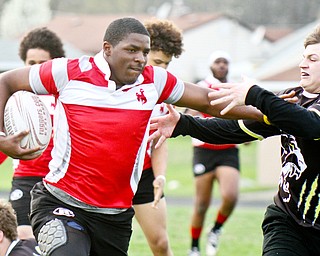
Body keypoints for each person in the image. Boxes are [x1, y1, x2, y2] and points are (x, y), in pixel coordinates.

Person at [0, 17, 262, 256]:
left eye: (145, 52)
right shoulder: (67, 73)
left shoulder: (154, 81)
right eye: (132, 50)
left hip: (115, 216)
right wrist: (1, 136)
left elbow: (208, 102)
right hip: (61, 202)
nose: (141, 58)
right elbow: (6, 82)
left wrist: (265, 110)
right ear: (107, 49)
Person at [149, 25, 320, 256]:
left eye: (313, 59)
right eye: (303, 57)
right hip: (288, 221)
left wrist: (255, 95)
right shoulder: (294, 98)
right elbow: (235, 130)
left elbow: (311, 124)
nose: (302, 64)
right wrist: (183, 124)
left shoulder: (294, 109)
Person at [2, 27, 65, 240]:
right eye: (31, 63)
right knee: (23, 237)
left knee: (55, 240)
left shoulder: (65, 98)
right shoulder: (13, 102)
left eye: (42, 64)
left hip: (59, 179)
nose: (35, 69)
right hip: (25, 179)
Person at [132, 18, 183, 256]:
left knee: (161, 244)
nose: (162, 70)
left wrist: (159, 176)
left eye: (167, 64)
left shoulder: (160, 94)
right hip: (107, 177)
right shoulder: (111, 87)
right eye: (157, 62)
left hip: (143, 175)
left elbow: (158, 141)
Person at [185, 51, 240, 256]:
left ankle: (216, 229)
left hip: (228, 150)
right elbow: (189, 112)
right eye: (218, 62)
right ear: (210, 66)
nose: (222, 65)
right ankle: (194, 246)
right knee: (201, 205)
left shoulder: (234, 87)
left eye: (225, 62)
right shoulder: (201, 86)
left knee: (230, 196)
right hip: (204, 151)